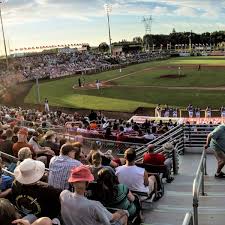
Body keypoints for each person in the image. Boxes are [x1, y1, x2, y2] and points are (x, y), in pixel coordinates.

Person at [60, 165, 128, 225]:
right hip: (109, 216)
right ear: (88, 184)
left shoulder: (63, 195)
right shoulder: (94, 206)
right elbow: (112, 218)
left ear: (72, 183)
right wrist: (122, 211)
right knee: (125, 216)